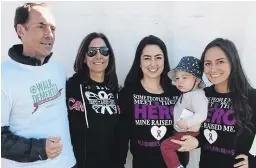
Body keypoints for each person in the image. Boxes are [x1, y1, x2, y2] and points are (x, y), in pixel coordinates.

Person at [1, 3, 76, 168]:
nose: (49, 35)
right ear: (21, 30)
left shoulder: (57, 69)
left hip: (68, 164)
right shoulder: (4, 76)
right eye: (41, 26)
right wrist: (40, 149)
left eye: (53, 28)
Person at [171, 38, 256, 168]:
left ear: (233, 62)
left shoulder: (251, 97)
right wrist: (195, 142)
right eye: (208, 63)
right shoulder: (201, 95)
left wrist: (254, 162)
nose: (213, 68)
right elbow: (199, 133)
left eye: (220, 62)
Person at [118, 35, 188, 168]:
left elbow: (187, 131)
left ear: (164, 60)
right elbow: (121, 138)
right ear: (139, 62)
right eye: (147, 58)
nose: (153, 63)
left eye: (158, 57)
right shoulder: (128, 94)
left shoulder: (178, 93)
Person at [66, 32, 120, 168]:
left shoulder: (116, 89)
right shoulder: (71, 87)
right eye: (91, 52)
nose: (98, 56)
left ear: (109, 56)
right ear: (84, 57)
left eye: (104, 51)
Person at [160, 56, 208, 168]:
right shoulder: (185, 93)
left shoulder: (198, 96)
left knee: (166, 146)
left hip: (188, 132)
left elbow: (202, 114)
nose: (179, 81)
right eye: (177, 78)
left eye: (184, 77)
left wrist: (187, 122)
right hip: (179, 131)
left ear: (197, 81)